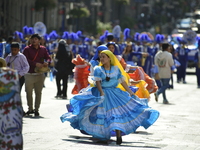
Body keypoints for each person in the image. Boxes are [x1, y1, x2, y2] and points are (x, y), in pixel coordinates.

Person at [61, 50, 159, 145]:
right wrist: (101, 93)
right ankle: (103, 134)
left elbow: (123, 82)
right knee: (105, 115)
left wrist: (130, 92)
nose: (102, 59)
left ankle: (118, 135)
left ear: (109, 58)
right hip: (102, 94)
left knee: (117, 113)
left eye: (104, 57)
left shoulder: (116, 69)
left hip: (115, 93)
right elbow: (98, 83)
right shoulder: (98, 69)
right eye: (100, 57)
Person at [23, 34, 51, 116]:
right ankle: (30, 109)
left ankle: (36, 109)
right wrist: (35, 64)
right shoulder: (27, 49)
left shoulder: (43, 49)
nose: (34, 40)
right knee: (28, 92)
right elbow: (25, 60)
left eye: (35, 39)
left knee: (38, 93)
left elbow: (48, 57)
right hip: (29, 73)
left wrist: (47, 62)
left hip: (40, 74)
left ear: (39, 40)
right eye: (32, 39)